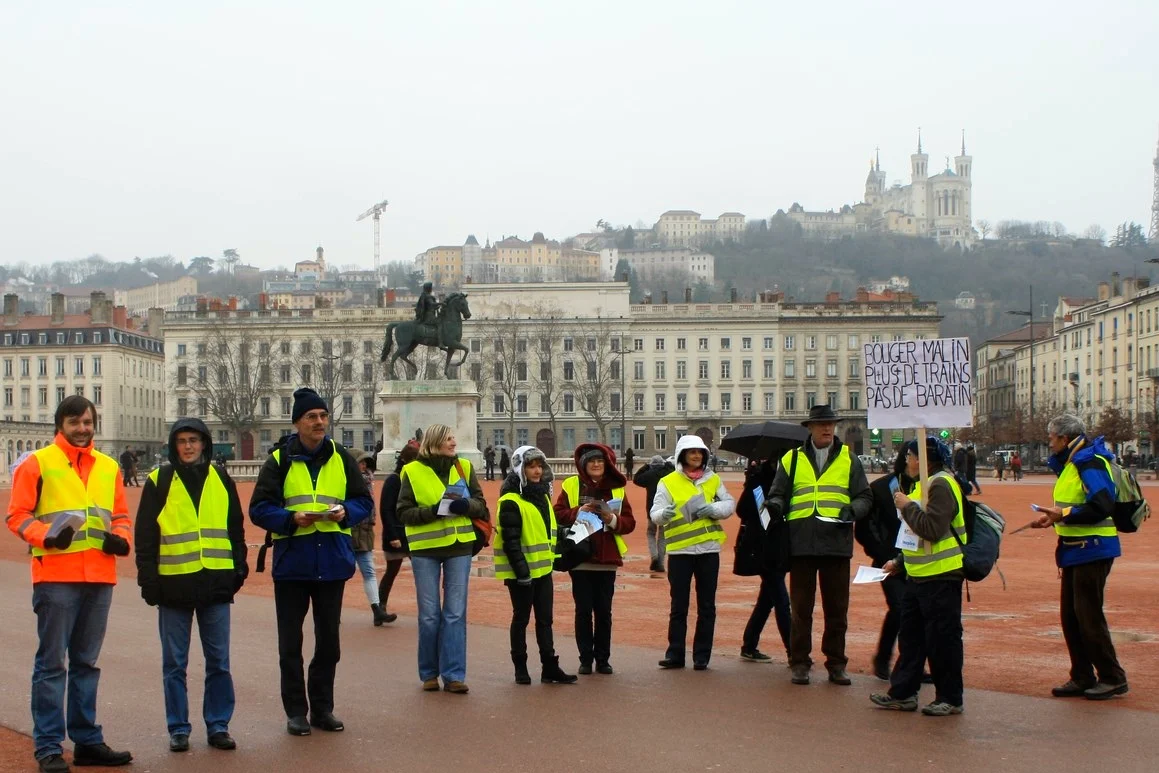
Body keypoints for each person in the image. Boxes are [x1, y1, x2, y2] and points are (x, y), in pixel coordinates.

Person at [6, 395, 134, 773]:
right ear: (60, 425)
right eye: (75, 422)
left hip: (99, 575)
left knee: (86, 663)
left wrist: (121, 540)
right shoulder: (37, 463)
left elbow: (121, 515)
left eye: (88, 422)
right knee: (51, 664)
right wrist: (47, 537)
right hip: (56, 577)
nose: (83, 429)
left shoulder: (109, 466)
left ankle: (86, 741)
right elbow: (17, 516)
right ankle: (48, 745)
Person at [249, 388, 374, 736]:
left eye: (323, 416)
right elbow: (259, 509)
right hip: (292, 564)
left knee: (329, 643)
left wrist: (346, 512)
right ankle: (295, 712)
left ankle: (322, 708)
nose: (319, 422)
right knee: (290, 645)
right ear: (297, 423)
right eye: (311, 417)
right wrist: (291, 519)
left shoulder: (342, 457)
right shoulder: (278, 461)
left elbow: (364, 501)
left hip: (332, 561)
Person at [134, 418, 248, 752]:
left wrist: (238, 569)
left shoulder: (221, 478)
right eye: (182, 440)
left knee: (219, 663)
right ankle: (178, 728)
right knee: (174, 664)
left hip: (215, 583)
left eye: (193, 440)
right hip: (173, 585)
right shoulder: (159, 480)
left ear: (204, 444)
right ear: (173, 445)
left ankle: (218, 725)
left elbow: (235, 528)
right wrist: (148, 579)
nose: (187, 446)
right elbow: (145, 536)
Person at [765, 404, 872, 686]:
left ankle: (836, 663)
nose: (827, 428)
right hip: (801, 544)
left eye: (831, 424)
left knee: (837, 610)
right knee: (801, 610)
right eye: (821, 424)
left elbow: (864, 496)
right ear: (810, 428)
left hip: (836, 543)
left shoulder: (850, 459)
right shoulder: (792, 459)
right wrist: (774, 505)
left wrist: (853, 509)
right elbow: (778, 493)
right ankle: (799, 662)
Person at [1032, 414, 1128, 701]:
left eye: (1051, 438)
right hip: (1076, 546)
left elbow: (1102, 504)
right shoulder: (1075, 462)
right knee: (1072, 616)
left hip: (1094, 547)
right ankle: (1082, 675)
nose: (1049, 444)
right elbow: (1074, 505)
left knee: (1088, 615)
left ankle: (1112, 677)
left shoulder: (1089, 460)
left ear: (1064, 438)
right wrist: (1055, 517)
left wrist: (1064, 514)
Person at [870, 436, 966, 716]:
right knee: (911, 638)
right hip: (919, 574)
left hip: (941, 576)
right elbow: (918, 536)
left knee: (942, 641)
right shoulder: (924, 485)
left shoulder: (941, 485)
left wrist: (906, 506)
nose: (907, 461)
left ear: (923, 460)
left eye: (911, 456)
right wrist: (900, 561)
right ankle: (903, 692)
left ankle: (950, 697)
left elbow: (932, 529)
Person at [396, 423, 489, 694]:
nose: (454, 442)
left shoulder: (464, 468)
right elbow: (403, 512)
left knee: (455, 613)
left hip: (459, 546)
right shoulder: (411, 471)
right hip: (425, 549)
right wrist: (434, 511)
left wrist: (465, 506)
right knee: (429, 615)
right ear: (435, 441)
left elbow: (481, 505)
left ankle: (454, 674)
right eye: (449, 438)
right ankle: (428, 673)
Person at [652, 435, 735, 670]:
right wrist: (662, 515)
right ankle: (675, 653)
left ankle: (701, 656)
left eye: (700, 452)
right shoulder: (667, 481)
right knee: (679, 605)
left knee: (707, 606)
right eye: (692, 452)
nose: (697, 456)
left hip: (708, 550)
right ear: (682, 455)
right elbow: (655, 512)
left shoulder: (713, 479)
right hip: (680, 552)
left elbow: (729, 504)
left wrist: (715, 508)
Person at [495, 445, 576, 685]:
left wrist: (565, 533)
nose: (537, 470)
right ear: (520, 467)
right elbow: (511, 541)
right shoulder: (510, 499)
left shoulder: (542, 495)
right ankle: (521, 667)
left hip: (543, 569)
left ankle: (549, 667)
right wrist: (522, 572)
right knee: (521, 619)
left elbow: (545, 529)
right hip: (521, 573)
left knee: (545, 620)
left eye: (540, 465)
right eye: (531, 466)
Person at [554, 443, 636, 675]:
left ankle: (603, 659)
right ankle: (585, 659)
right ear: (584, 464)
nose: (596, 464)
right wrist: (578, 512)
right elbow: (557, 513)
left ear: (607, 463)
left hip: (607, 559)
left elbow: (629, 523)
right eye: (591, 461)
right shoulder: (571, 485)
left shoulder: (618, 489)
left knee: (604, 612)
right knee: (583, 611)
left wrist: (612, 519)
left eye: (600, 461)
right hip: (580, 556)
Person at [855, 447, 914, 681]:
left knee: (915, 613)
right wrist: (881, 554)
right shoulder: (880, 488)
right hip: (888, 562)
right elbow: (863, 528)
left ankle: (912, 664)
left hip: (918, 561)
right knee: (900, 608)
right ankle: (883, 657)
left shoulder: (929, 488)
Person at [734, 458, 790, 664]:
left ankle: (749, 645)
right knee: (782, 601)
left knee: (767, 600)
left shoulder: (790, 479)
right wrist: (751, 486)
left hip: (781, 546)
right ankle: (794, 651)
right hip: (763, 547)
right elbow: (742, 510)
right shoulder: (758, 480)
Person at [378, 441, 420, 623]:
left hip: (411, 533)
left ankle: (428, 610)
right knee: (391, 572)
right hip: (395, 533)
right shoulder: (394, 479)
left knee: (422, 572)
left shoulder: (411, 478)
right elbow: (386, 509)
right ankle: (380, 608)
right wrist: (392, 536)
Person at [350, 450, 389, 626]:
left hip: (365, 529)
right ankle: (332, 612)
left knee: (369, 571)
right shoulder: (347, 482)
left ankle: (377, 609)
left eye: (366, 463)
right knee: (341, 573)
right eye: (361, 463)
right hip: (349, 529)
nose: (364, 466)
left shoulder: (368, 480)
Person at [632, 454, 675, 574]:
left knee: (650, 533)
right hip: (667, 508)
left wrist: (646, 466)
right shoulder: (669, 473)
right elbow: (676, 471)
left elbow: (636, 479)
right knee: (662, 536)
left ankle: (654, 556)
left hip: (651, 509)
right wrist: (668, 464)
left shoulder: (649, 475)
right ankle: (660, 562)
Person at [415, 282, 442, 346]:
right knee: (440, 324)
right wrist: (441, 303)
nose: (431, 289)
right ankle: (440, 342)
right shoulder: (427, 296)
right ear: (428, 288)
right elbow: (432, 304)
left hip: (430, 314)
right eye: (431, 288)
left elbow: (431, 307)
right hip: (429, 316)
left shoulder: (425, 295)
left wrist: (437, 307)